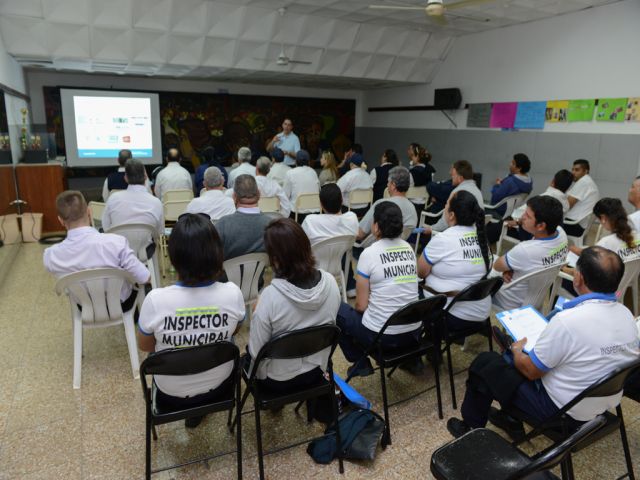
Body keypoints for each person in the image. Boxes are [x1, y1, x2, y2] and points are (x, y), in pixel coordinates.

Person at [447, 246, 640, 438]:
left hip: (561, 413)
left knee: (486, 364)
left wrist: (515, 351)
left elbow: (531, 371)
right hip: (600, 403)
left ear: (579, 277)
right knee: (507, 365)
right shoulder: (626, 315)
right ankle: (510, 419)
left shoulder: (569, 321)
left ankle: (470, 431)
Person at [136, 213, 245, 428]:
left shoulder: (156, 300)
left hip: (171, 393)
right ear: (217, 253)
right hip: (220, 385)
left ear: (174, 256)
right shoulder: (232, 293)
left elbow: (146, 345)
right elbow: (234, 331)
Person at [248, 218, 341, 411]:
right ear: (306, 246)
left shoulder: (270, 298)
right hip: (317, 371)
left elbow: (256, 353)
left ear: (274, 259)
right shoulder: (331, 282)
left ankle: (275, 405)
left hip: (277, 381)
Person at [337, 201, 421, 377]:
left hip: (383, 336)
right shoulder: (409, 249)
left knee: (337, 310)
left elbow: (361, 306)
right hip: (413, 333)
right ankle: (412, 360)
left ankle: (360, 363)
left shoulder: (369, 253)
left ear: (376, 227)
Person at [44, 190, 150, 311]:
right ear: (89, 211)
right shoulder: (116, 243)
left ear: (61, 220)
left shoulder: (51, 255)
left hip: (84, 307)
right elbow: (144, 277)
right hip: (121, 304)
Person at [417, 191, 492, 333]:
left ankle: (428, 344)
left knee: (411, 291)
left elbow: (420, 272)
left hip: (452, 316)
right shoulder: (481, 236)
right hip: (481, 313)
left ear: (451, 215)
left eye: (446, 204)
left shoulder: (443, 239)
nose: (445, 206)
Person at [492, 196, 568, 311]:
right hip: (535, 300)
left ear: (541, 226)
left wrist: (510, 267)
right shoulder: (562, 235)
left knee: (485, 263)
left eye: (527, 216)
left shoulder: (525, 250)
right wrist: (514, 266)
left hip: (509, 301)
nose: (522, 217)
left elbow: (497, 266)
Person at [102, 158, 164, 253]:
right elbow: (160, 233)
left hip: (119, 251)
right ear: (145, 177)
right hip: (145, 252)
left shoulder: (113, 199)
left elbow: (106, 228)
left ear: (125, 178)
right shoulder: (156, 202)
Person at [501, 169, 573, 243]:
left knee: (501, 224)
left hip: (532, 233)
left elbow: (520, 216)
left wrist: (516, 222)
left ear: (553, 181)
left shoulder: (544, 198)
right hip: (550, 234)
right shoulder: (566, 203)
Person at [214, 174, 272, 261]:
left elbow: (213, 257)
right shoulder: (272, 225)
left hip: (227, 274)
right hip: (259, 274)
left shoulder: (223, 224)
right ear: (259, 194)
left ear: (234, 197)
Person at [357, 166, 417, 241]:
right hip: (398, 248)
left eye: (388, 182)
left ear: (393, 185)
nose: (387, 185)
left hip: (374, 248)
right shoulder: (412, 209)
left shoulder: (381, 205)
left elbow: (360, 234)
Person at [425, 160, 484, 234]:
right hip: (473, 233)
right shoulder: (478, 191)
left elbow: (445, 222)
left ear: (460, 178)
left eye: (453, 175)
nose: (450, 174)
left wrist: (431, 228)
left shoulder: (456, 193)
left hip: (456, 234)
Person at [563, 159, 600, 237]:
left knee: (543, 223)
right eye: (572, 169)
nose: (573, 172)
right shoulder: (587, 181)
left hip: (574, 225)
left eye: (577, 170)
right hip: (578, 224)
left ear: (586, 171)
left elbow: (567, 205)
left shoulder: (583, 182)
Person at [283, 149, 321, 223]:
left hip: (297, 215)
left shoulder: (290, 173)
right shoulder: (313, 172)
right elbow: (319, 191)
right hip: (315, 212)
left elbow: (285, 196)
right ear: (308, 161)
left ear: (296, 161)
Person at [408, 143, 436, 215]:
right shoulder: (430, 171)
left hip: (411, 205)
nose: (411, 158)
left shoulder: (412, 173)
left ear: (417, 157)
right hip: (425, 205)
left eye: (413, 156)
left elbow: (407, 188)